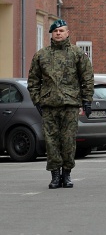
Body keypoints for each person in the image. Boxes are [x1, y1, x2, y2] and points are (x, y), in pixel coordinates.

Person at [27, 19, 94, 189]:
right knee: (51, 142)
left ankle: (67, 173)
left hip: (70, 104)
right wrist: (37, 100)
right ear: (51, 33)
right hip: (49, 105)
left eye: (61, 30)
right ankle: (55, 175)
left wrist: (87, 100)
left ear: (68, 33)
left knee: (68, 140)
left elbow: (87, 78)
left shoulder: (77, 54)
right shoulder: (41, 55)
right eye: (55, 31)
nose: (58, 33)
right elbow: (33, 80)